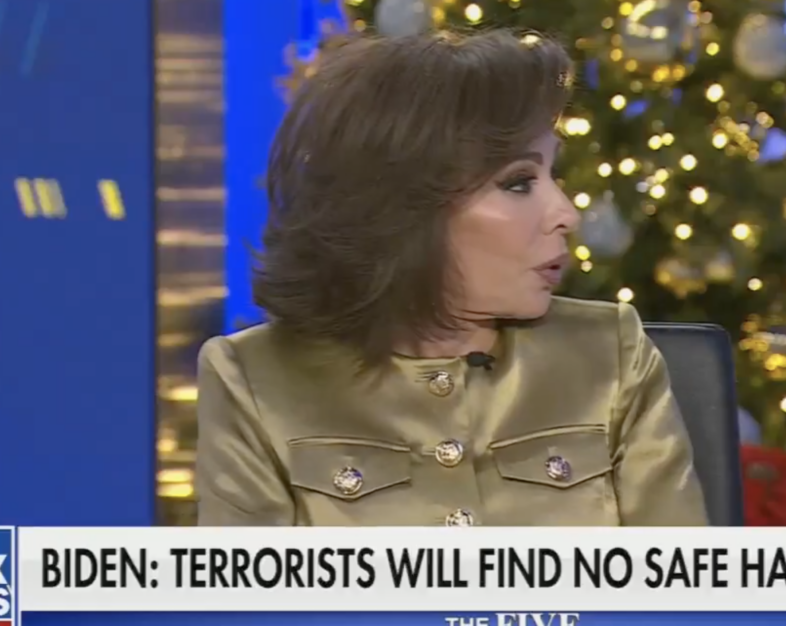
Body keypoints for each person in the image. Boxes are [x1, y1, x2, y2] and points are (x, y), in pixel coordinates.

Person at [195, 28, 708, 527]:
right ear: (401, 207)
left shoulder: (610, 355)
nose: (566, 214)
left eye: (553, 173)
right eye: (519, 182)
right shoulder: (253, 379)